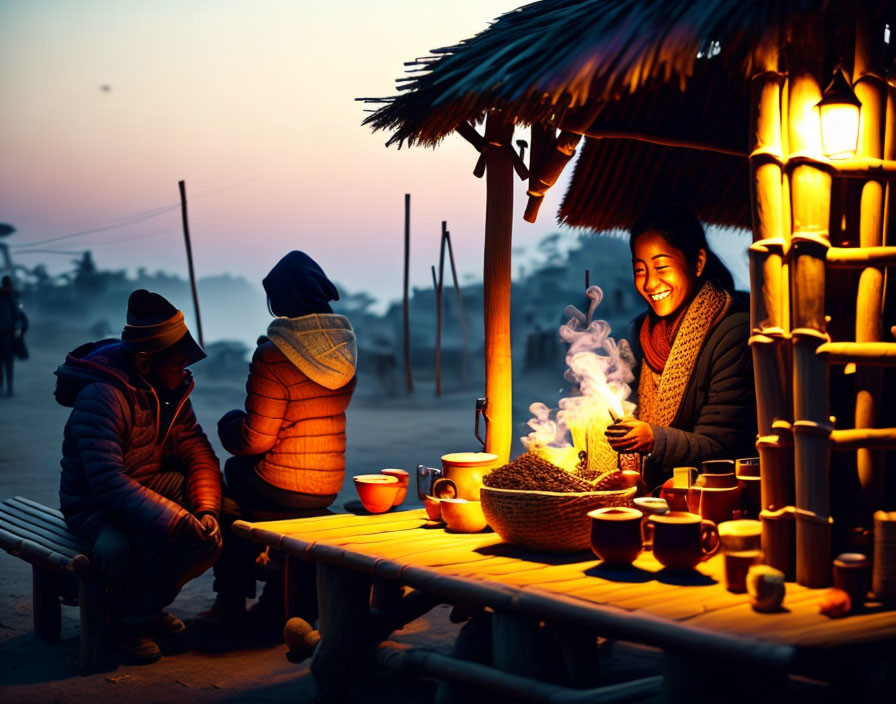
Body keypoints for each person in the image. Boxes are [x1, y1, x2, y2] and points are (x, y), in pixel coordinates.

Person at [56, 289, 223, 664]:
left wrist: (205, 508)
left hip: (146, 487)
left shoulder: (171, 388)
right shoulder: (102, 397)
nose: (185, 371)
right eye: (178, 363)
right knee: (121, 550)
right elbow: (108, 484)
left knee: (214, 528)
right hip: (95, 506)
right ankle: (122, 623)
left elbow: (197, 450)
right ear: (146, 362)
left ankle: (145, 609)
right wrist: (177, 520)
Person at [200, 251, 357, 629]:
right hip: (327, 485)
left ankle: (231, 600)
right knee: (244, 493)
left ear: (281, 300)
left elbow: (254, 440)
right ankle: (278, 591)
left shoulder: (274, 356)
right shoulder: (345, 349)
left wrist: (229, 424)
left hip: (283, 486)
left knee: (232, 486)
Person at [605, 204, 756, 489]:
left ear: (697, 262)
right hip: (651, 491)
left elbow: (724, 447)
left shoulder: (733, 333)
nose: (650, 283)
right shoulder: (638, 332)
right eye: (640, 270)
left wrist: (654, 438)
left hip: (711, 495)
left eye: (661, 266)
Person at [0, 275, 27, 396]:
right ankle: (9, 388)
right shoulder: (13, 296)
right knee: (8, 361)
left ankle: (1, 387)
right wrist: (19, 332)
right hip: (8, 333)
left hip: (4, 332)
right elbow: (18, 315)